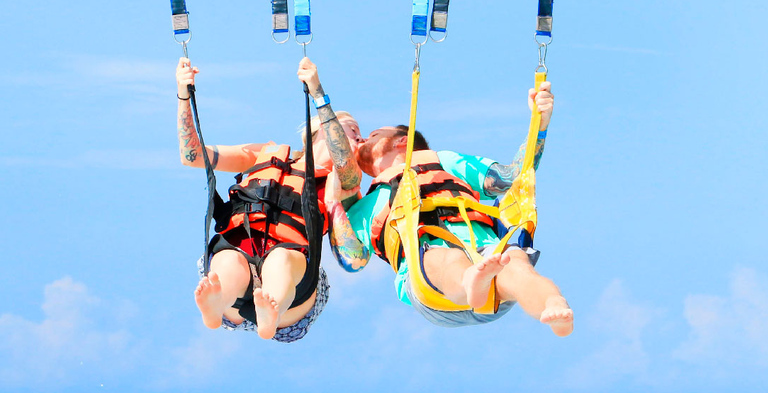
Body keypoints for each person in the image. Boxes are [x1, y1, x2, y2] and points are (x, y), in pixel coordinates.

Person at [330, 82, 573, 336]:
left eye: (373, 135)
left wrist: (539, 125)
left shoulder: (443, 162)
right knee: (443, 257)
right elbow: (352, 259)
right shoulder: (364, 207)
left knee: (516, 263)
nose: (364, 139)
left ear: (402, 141)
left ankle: (553, 306)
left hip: (489, 266)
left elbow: (512, 178)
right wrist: (333, 202)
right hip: (432, 288)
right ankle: (469, 282)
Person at [176, 56, 362, 342]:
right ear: (320, 129)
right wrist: (183, 94)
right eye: (355, 131)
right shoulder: (266, 153)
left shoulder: (345, 182)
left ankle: (270, 311)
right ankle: (215, 307)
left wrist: (318, 92)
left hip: (292, 294)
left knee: (281, 261)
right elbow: (193, 156)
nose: (360, 140)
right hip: (240, 254)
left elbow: (344, 162)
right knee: (227, 264)